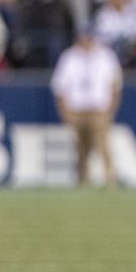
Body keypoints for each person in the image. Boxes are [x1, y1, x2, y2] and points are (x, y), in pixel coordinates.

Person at [51, 26, 123, 188]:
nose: (86, 42)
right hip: (76, 109)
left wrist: (111, 109)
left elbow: (116, 85)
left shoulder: (106, 56)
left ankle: (110, 178)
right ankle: (83, 179)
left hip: (99, 108)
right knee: (80, 147)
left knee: (103, 144)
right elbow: (59, 87)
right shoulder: (69, 57)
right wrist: (65, 111)